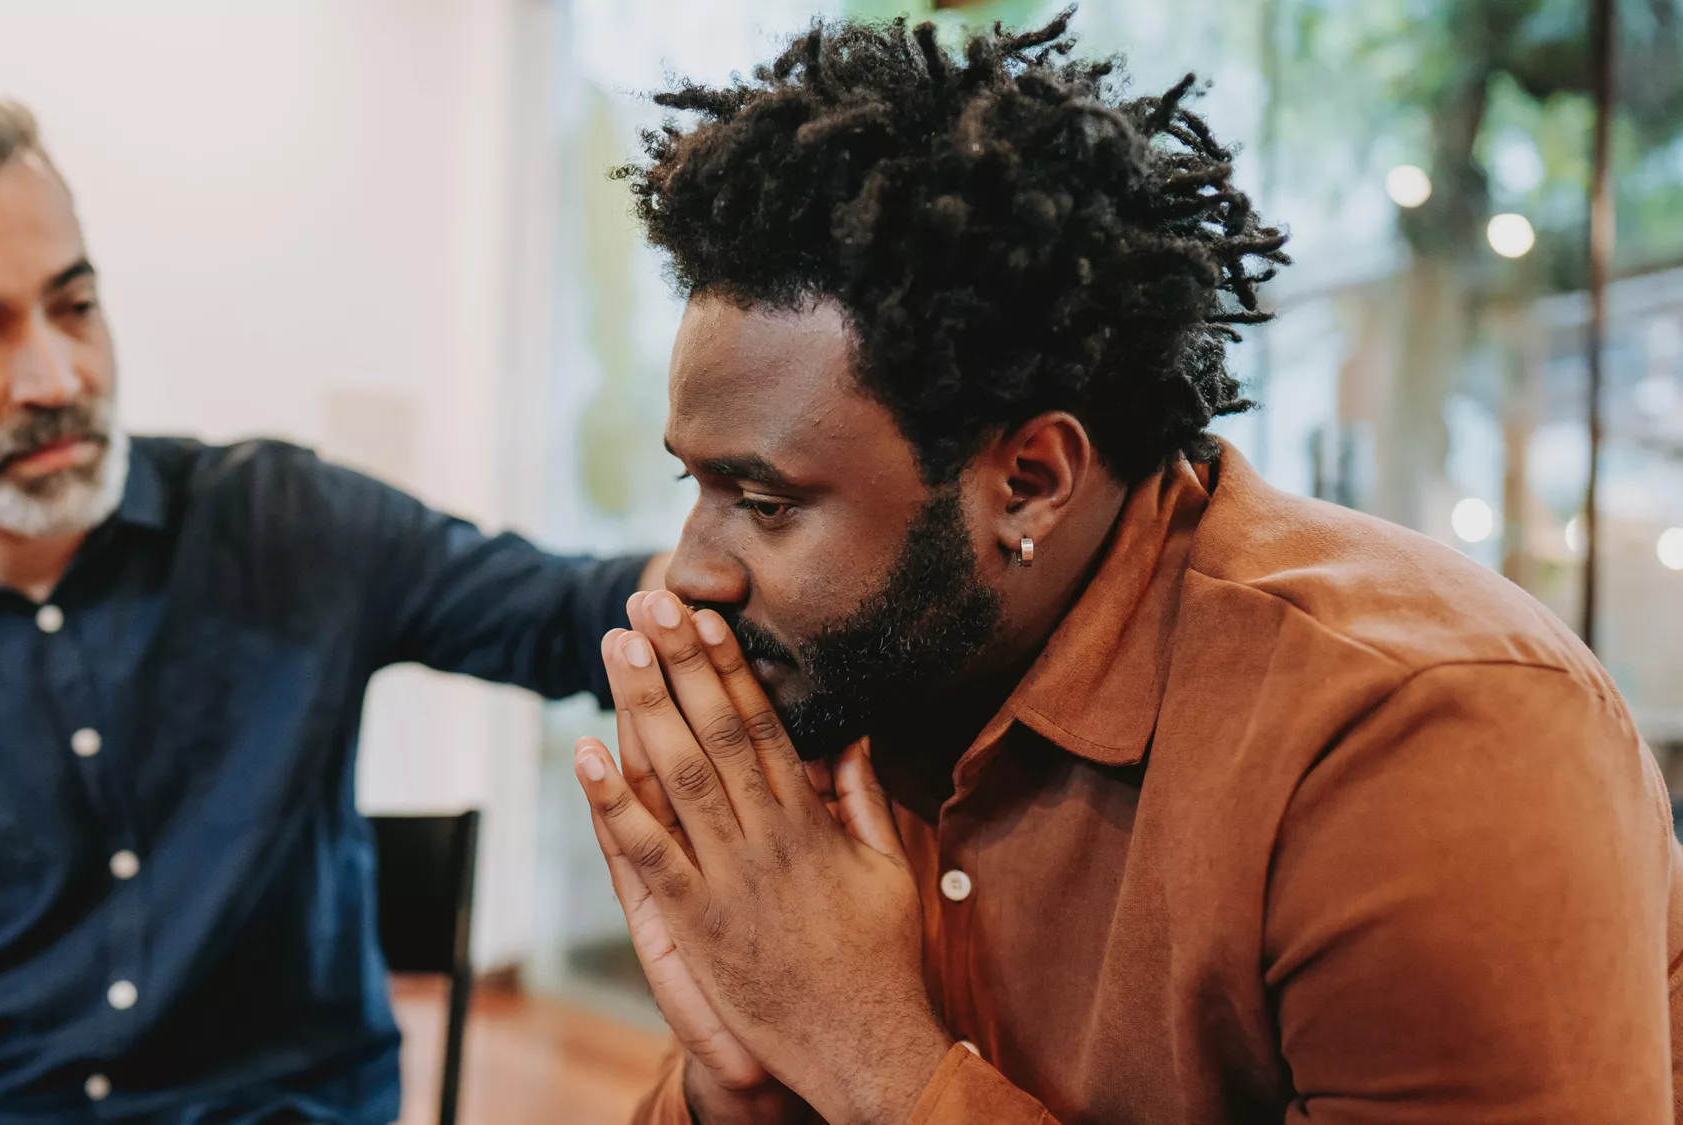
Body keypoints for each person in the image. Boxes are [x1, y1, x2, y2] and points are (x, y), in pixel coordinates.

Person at [571, 14, 1683, 1125]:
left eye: (763, 503)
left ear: (1030, 481)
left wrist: (867, 1055)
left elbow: (858, 1044)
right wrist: (738, 1090)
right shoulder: (871, 682)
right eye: (696, 489)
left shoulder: (1426, 735)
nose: (683, 578)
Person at [0, 92, 661, 1124]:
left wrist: (781, 521)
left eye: (72, 306)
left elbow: (577, 614)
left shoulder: (286, 520)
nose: (55, 375)